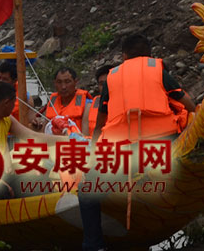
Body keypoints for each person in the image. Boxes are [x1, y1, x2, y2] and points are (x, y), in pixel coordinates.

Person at [81, 35, 196, 251]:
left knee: (87, 192)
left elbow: (101, 122)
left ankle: (94, 246)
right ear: (149, 54)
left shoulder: (113, 76)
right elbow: (186, 102)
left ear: (124, 55)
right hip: (161, 144)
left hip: (122, 149)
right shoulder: (157, 70)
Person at [0, 81, 67, 198]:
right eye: (13, 103)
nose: (14, 107)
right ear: (6, 103)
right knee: (1, 190)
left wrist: (66, 139)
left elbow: (33, 137)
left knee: (39, 175)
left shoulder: (6, 119)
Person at [41, 67, 91, 135]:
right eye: (59, 82)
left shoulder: (87, 105)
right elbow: (44, 130)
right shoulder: (52, 102)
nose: (63, 87)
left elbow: (86, 135)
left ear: (75, 82)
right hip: (52, 139)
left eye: (67, 82)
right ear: (55, 83)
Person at [0, 60, 30, 124]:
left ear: (14, 81)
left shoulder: (24, 96)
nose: (0, 81)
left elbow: (31, 117)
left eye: (5, 79)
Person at [87, 65, 113, 135]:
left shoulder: (126, 104)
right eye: (102, 84)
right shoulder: (90, 105)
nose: (105, 88)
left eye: (108, 83)